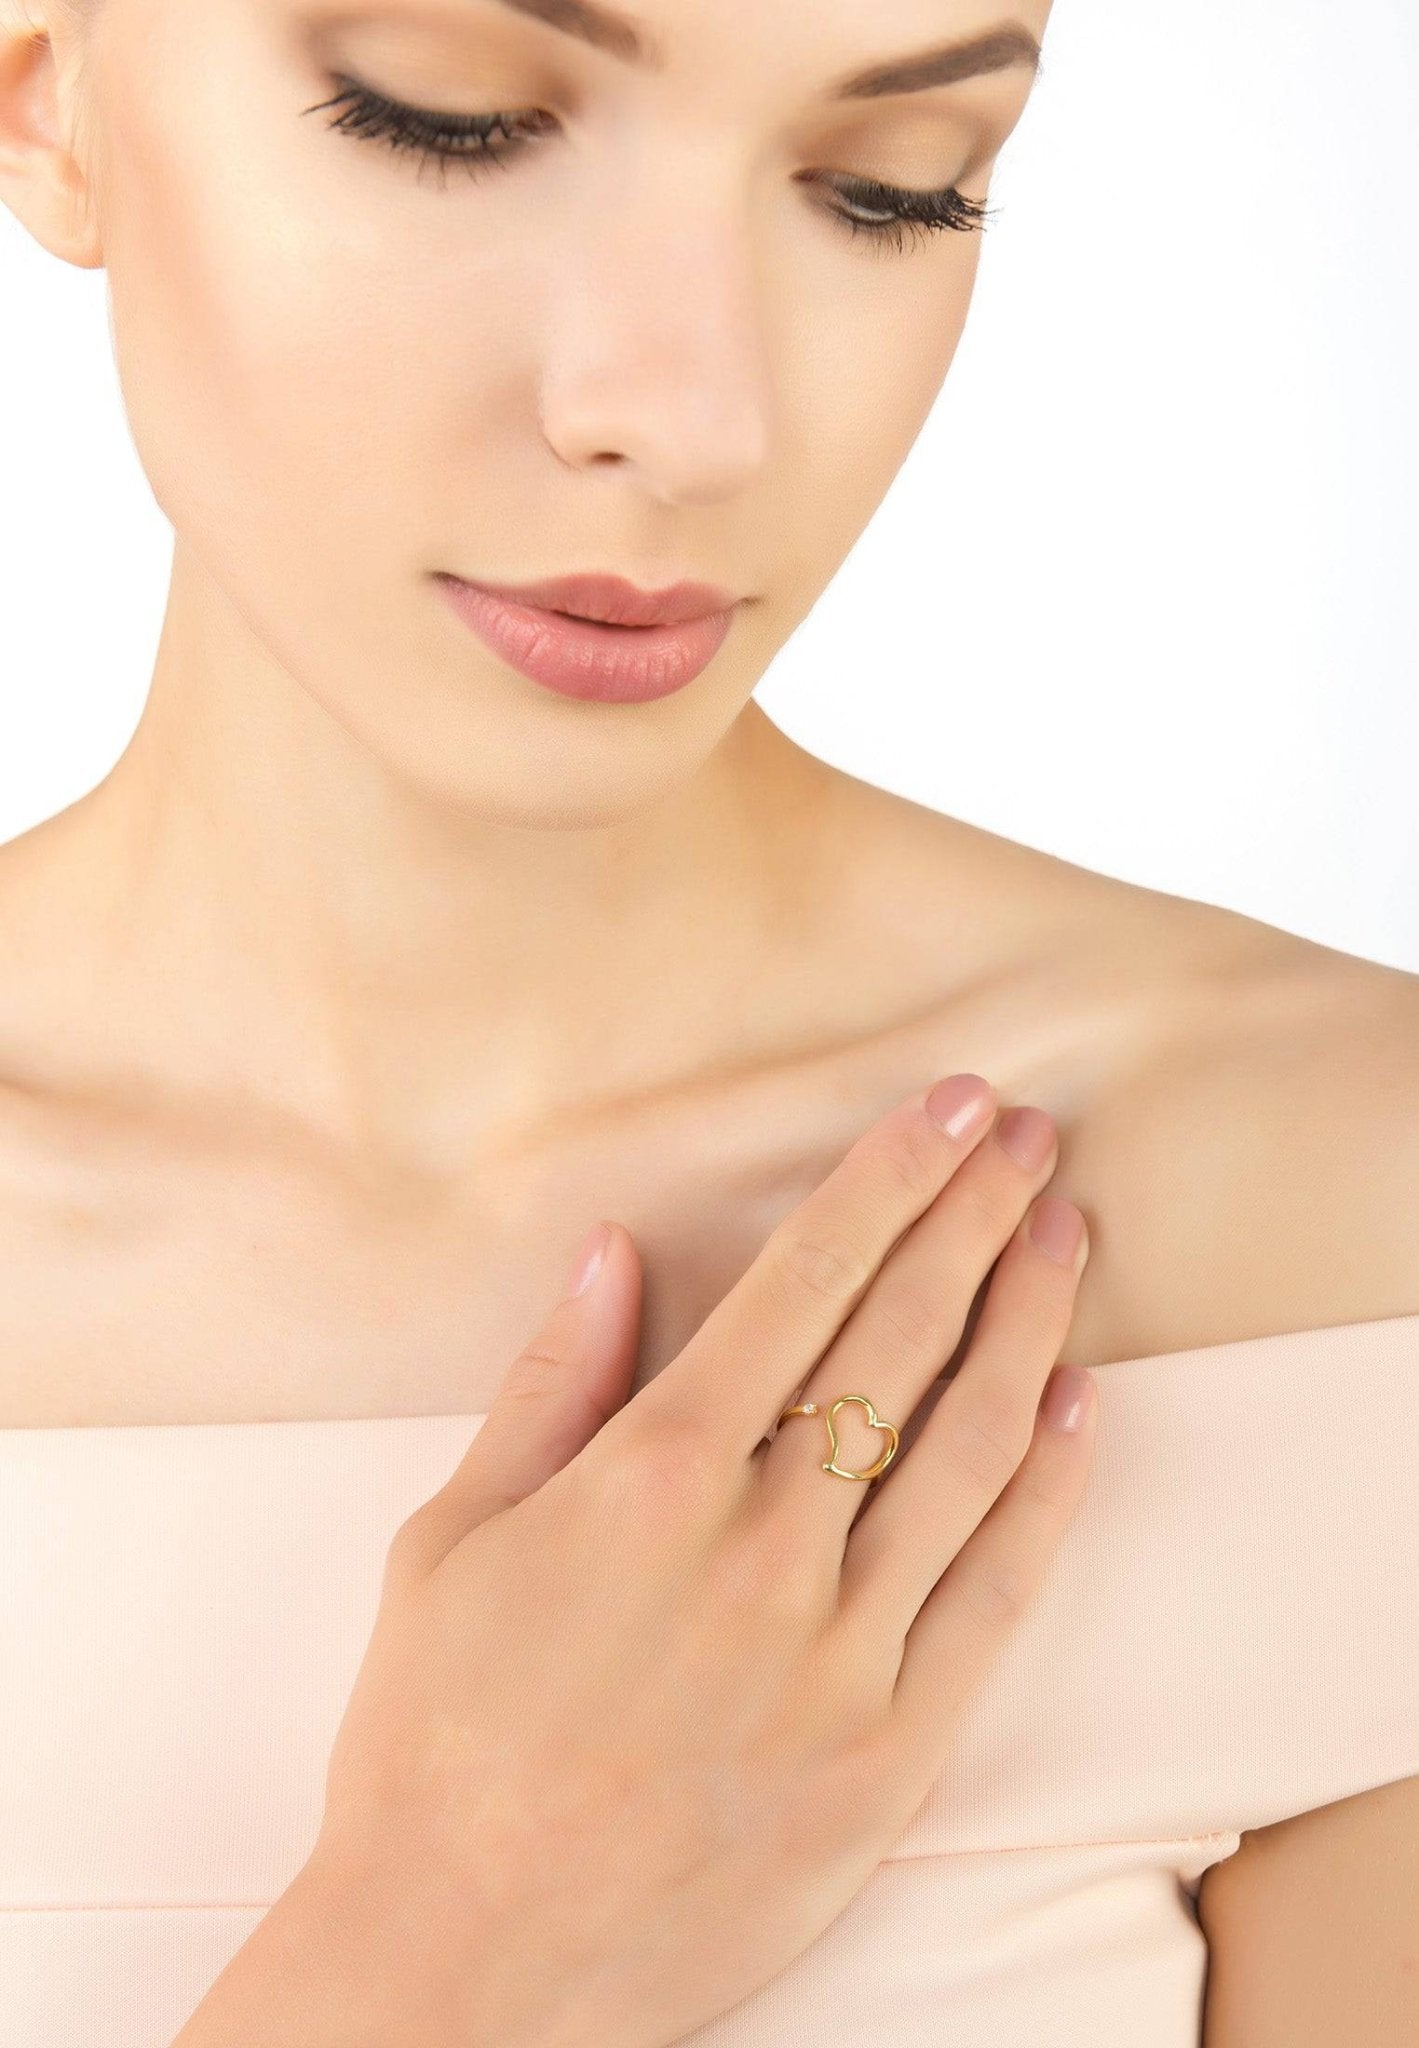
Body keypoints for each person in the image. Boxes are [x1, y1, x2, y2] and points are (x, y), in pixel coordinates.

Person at [0, 1, 1414, 2043]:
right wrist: (447, 1945)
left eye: (890, 188)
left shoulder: (1342, 1221)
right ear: (47, 99)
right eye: (451, 120)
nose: (693, 418)